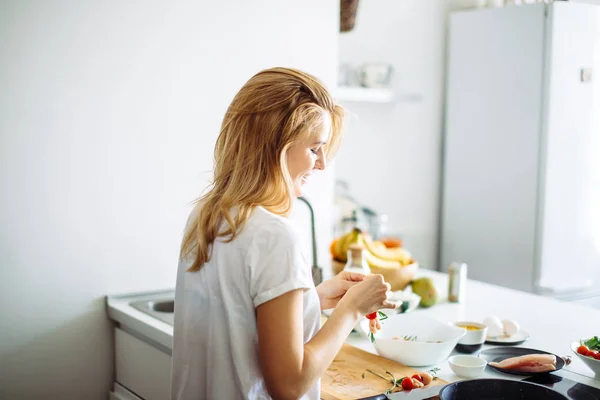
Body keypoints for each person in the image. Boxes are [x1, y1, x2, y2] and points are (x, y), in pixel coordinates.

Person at [171, 67, 395, 400]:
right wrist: (351, 311)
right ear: (276, 147)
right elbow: (289, 384)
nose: (320, 165)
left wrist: (310, 300)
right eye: (315, 149)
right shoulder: (275, 236)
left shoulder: (207, 216)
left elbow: (237, 320)